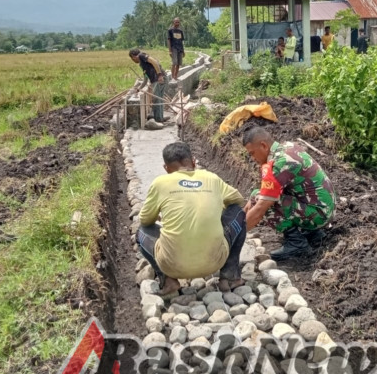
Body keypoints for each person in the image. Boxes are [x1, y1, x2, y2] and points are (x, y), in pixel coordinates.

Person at [137, 142, 247, 295]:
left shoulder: (160, 183)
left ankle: (168, 280)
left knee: (142, 231)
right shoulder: (212, 178)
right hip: (214, 262)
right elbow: (238, 200)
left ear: (166, 168)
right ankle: (230, 277)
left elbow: (146, 221)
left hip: (172, 266)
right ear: (194, 162)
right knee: (238, 212)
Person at [242, 127, 336, 261]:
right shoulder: (287, 147)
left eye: (252, 153)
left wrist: (235, 236)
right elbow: (260, 194)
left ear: (263, 145)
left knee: (264, 202)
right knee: (256, 194)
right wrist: (239, 219)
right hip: (322, 208)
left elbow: (259, 209)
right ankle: (311, 233)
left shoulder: (281, 164)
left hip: (320, 215)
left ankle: (297, 244)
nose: (252, 158)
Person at [129, 48, 166, 123]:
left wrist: (159, 75)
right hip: (157, 80)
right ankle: (159, 118)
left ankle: (158, 119)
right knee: (158, 99)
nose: (133, 61)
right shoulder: (143, 64)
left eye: (132, 58)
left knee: (156, 99)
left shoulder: (141, 56)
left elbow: (154, 62)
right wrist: (138, 89)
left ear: (134, 56)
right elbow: (145, 80)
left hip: (158, 79)